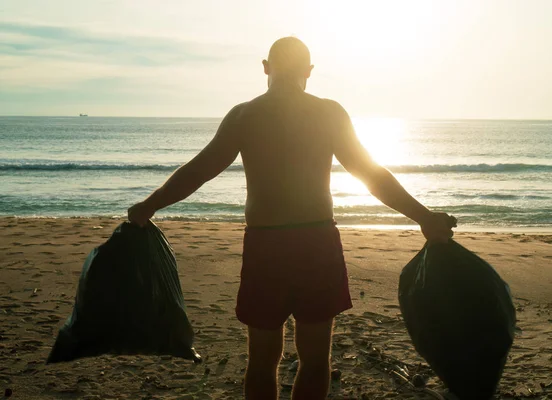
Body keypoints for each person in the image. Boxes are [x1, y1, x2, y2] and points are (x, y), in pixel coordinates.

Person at [128, 36, 456, 400]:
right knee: (315, 360)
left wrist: (149, 206)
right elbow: (370, 173)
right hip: (317, 245)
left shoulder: (244, 115)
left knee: (263, 360)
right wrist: (423, 216)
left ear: (266, 67)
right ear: (309, 72)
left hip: (265, 247)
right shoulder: (329, 113)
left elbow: (199, 171)